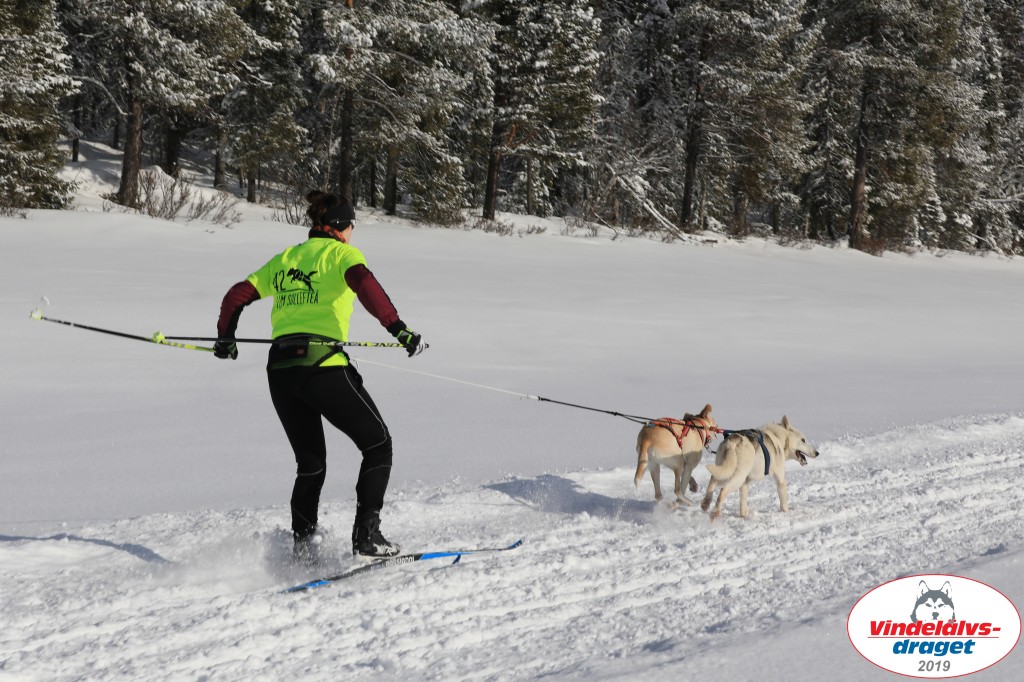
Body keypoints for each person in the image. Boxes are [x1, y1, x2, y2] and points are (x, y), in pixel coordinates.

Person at [213, 191, 424, 564]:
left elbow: (236, 296)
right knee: (378, 445)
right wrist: (399, 329)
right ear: (341, 227)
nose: (353, 232)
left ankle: (303, 550)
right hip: (320, 364)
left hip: (280, 370)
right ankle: (367, 536)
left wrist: (226, 339)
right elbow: (366, 286)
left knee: (311, 464)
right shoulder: (343, 255)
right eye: (352, 225)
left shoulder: (287, 258)